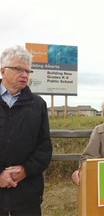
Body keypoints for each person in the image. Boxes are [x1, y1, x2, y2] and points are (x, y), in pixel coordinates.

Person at [0, 46, 52, 215]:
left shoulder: (38, 105)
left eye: (28, 71)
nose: (24, 75)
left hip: (27, 194)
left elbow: (44, 148)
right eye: (18, 69)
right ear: (3, 70)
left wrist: (25, 170)